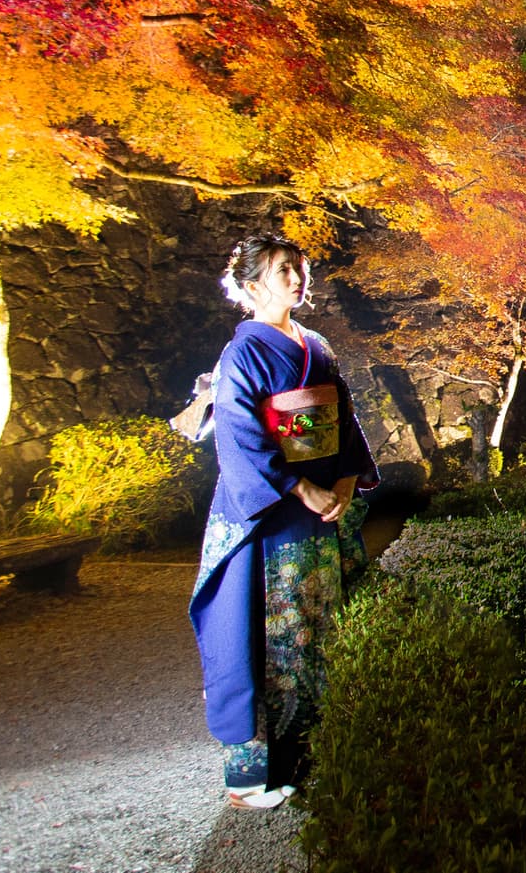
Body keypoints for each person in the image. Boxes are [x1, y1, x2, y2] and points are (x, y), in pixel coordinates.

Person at [188, 232, 377, 810]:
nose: (295, 277)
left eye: (297, 267)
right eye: (280, 271)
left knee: (318, 631)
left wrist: (342, 480)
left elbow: (340, 418)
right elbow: (240, 434)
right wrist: (302, 487)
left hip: (320, 508)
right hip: (271, 514)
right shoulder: (241, 354)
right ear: (249, 288)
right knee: (262, 636)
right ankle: (248, 779)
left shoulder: (315, 344)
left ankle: (312, 756)